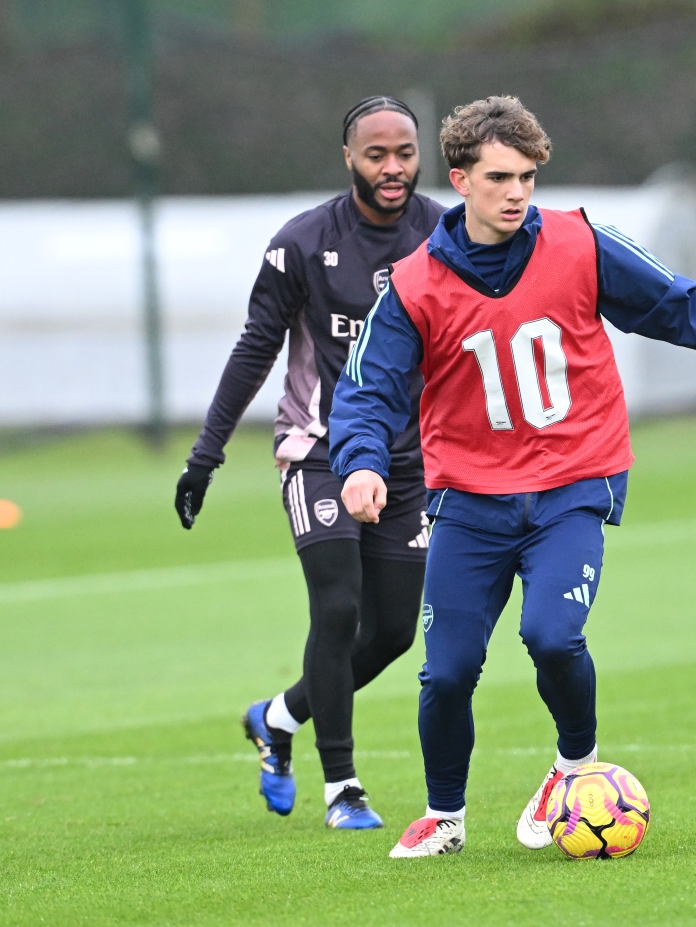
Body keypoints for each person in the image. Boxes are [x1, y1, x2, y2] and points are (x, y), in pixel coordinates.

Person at [329, 95, 696, 857]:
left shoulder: (582, 242)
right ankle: (446, 817)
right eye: (500, 177)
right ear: (460, 180)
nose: (517, 193)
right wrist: (362, 465)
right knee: (448, 672)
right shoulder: (412, 284)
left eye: (528, 177)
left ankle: (572, 769)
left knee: (553, 635)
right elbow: (367, 389)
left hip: (574, 481)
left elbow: (680, 306)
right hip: (468, 498)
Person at [174, 96, 446, 829]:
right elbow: (256, 345)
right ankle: (343, 787)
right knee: (337, 605)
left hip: (408, 462)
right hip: (318, 449)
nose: (393, 168)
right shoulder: (302, 242)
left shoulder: (445, 234)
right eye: (376, 155)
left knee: (393, 631)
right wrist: (207, 454)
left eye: (405, 153)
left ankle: (279, 716)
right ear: (349, 159)